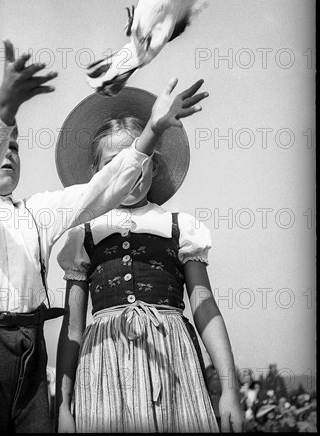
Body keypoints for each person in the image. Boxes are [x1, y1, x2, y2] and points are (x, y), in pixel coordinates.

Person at [0, 41, 205, 433]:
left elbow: (101, 190)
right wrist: (3, 110)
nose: (6, 152)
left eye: (14, 147)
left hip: (29, 345)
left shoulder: (37, 212)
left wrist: (153, 130)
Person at [55, 83, 245, 433]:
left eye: (138, 160)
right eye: (115, 164)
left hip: (173, 359)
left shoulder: (180, 227)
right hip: (104, 364)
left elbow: (204, 306)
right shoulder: (83, 234)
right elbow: (72, 328)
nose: (130, 172)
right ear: (98, 175)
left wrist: (229, 390)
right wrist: (63, 405)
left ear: (154, 167)